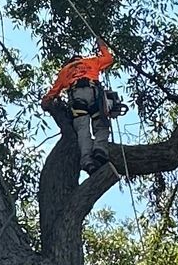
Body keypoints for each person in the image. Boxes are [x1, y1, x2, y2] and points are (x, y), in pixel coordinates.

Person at [43, 45, 122, 174]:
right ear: (80, 58)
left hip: (76, 96)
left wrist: (45, 101)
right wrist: (102, 45)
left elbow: (54, 91)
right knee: (101, 125)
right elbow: (108, 58)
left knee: (82, 131)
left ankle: (87, 161)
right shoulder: (91, 61)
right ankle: (100, 150)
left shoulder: (65, 70)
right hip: (94, 95)